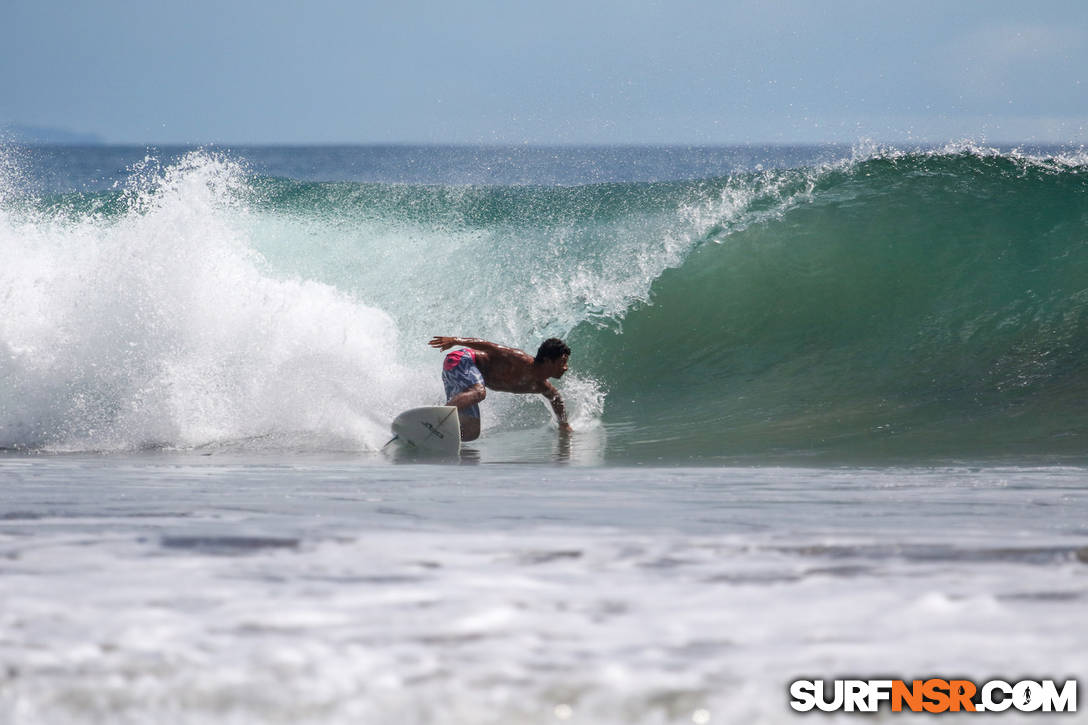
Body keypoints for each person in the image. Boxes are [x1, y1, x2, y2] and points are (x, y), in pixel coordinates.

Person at [428, 336, 573, 441]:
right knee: (479, 392)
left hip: (464, 380)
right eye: (562, 362)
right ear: (547, 361)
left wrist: (564, 425)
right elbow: (489, 346)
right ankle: (436, 417)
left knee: (471, 432)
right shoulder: (520, 360)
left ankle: (437, 436)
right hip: (461, 359)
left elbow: (556, 398)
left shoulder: (540, 386)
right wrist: (455, 341)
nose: (565, 368)